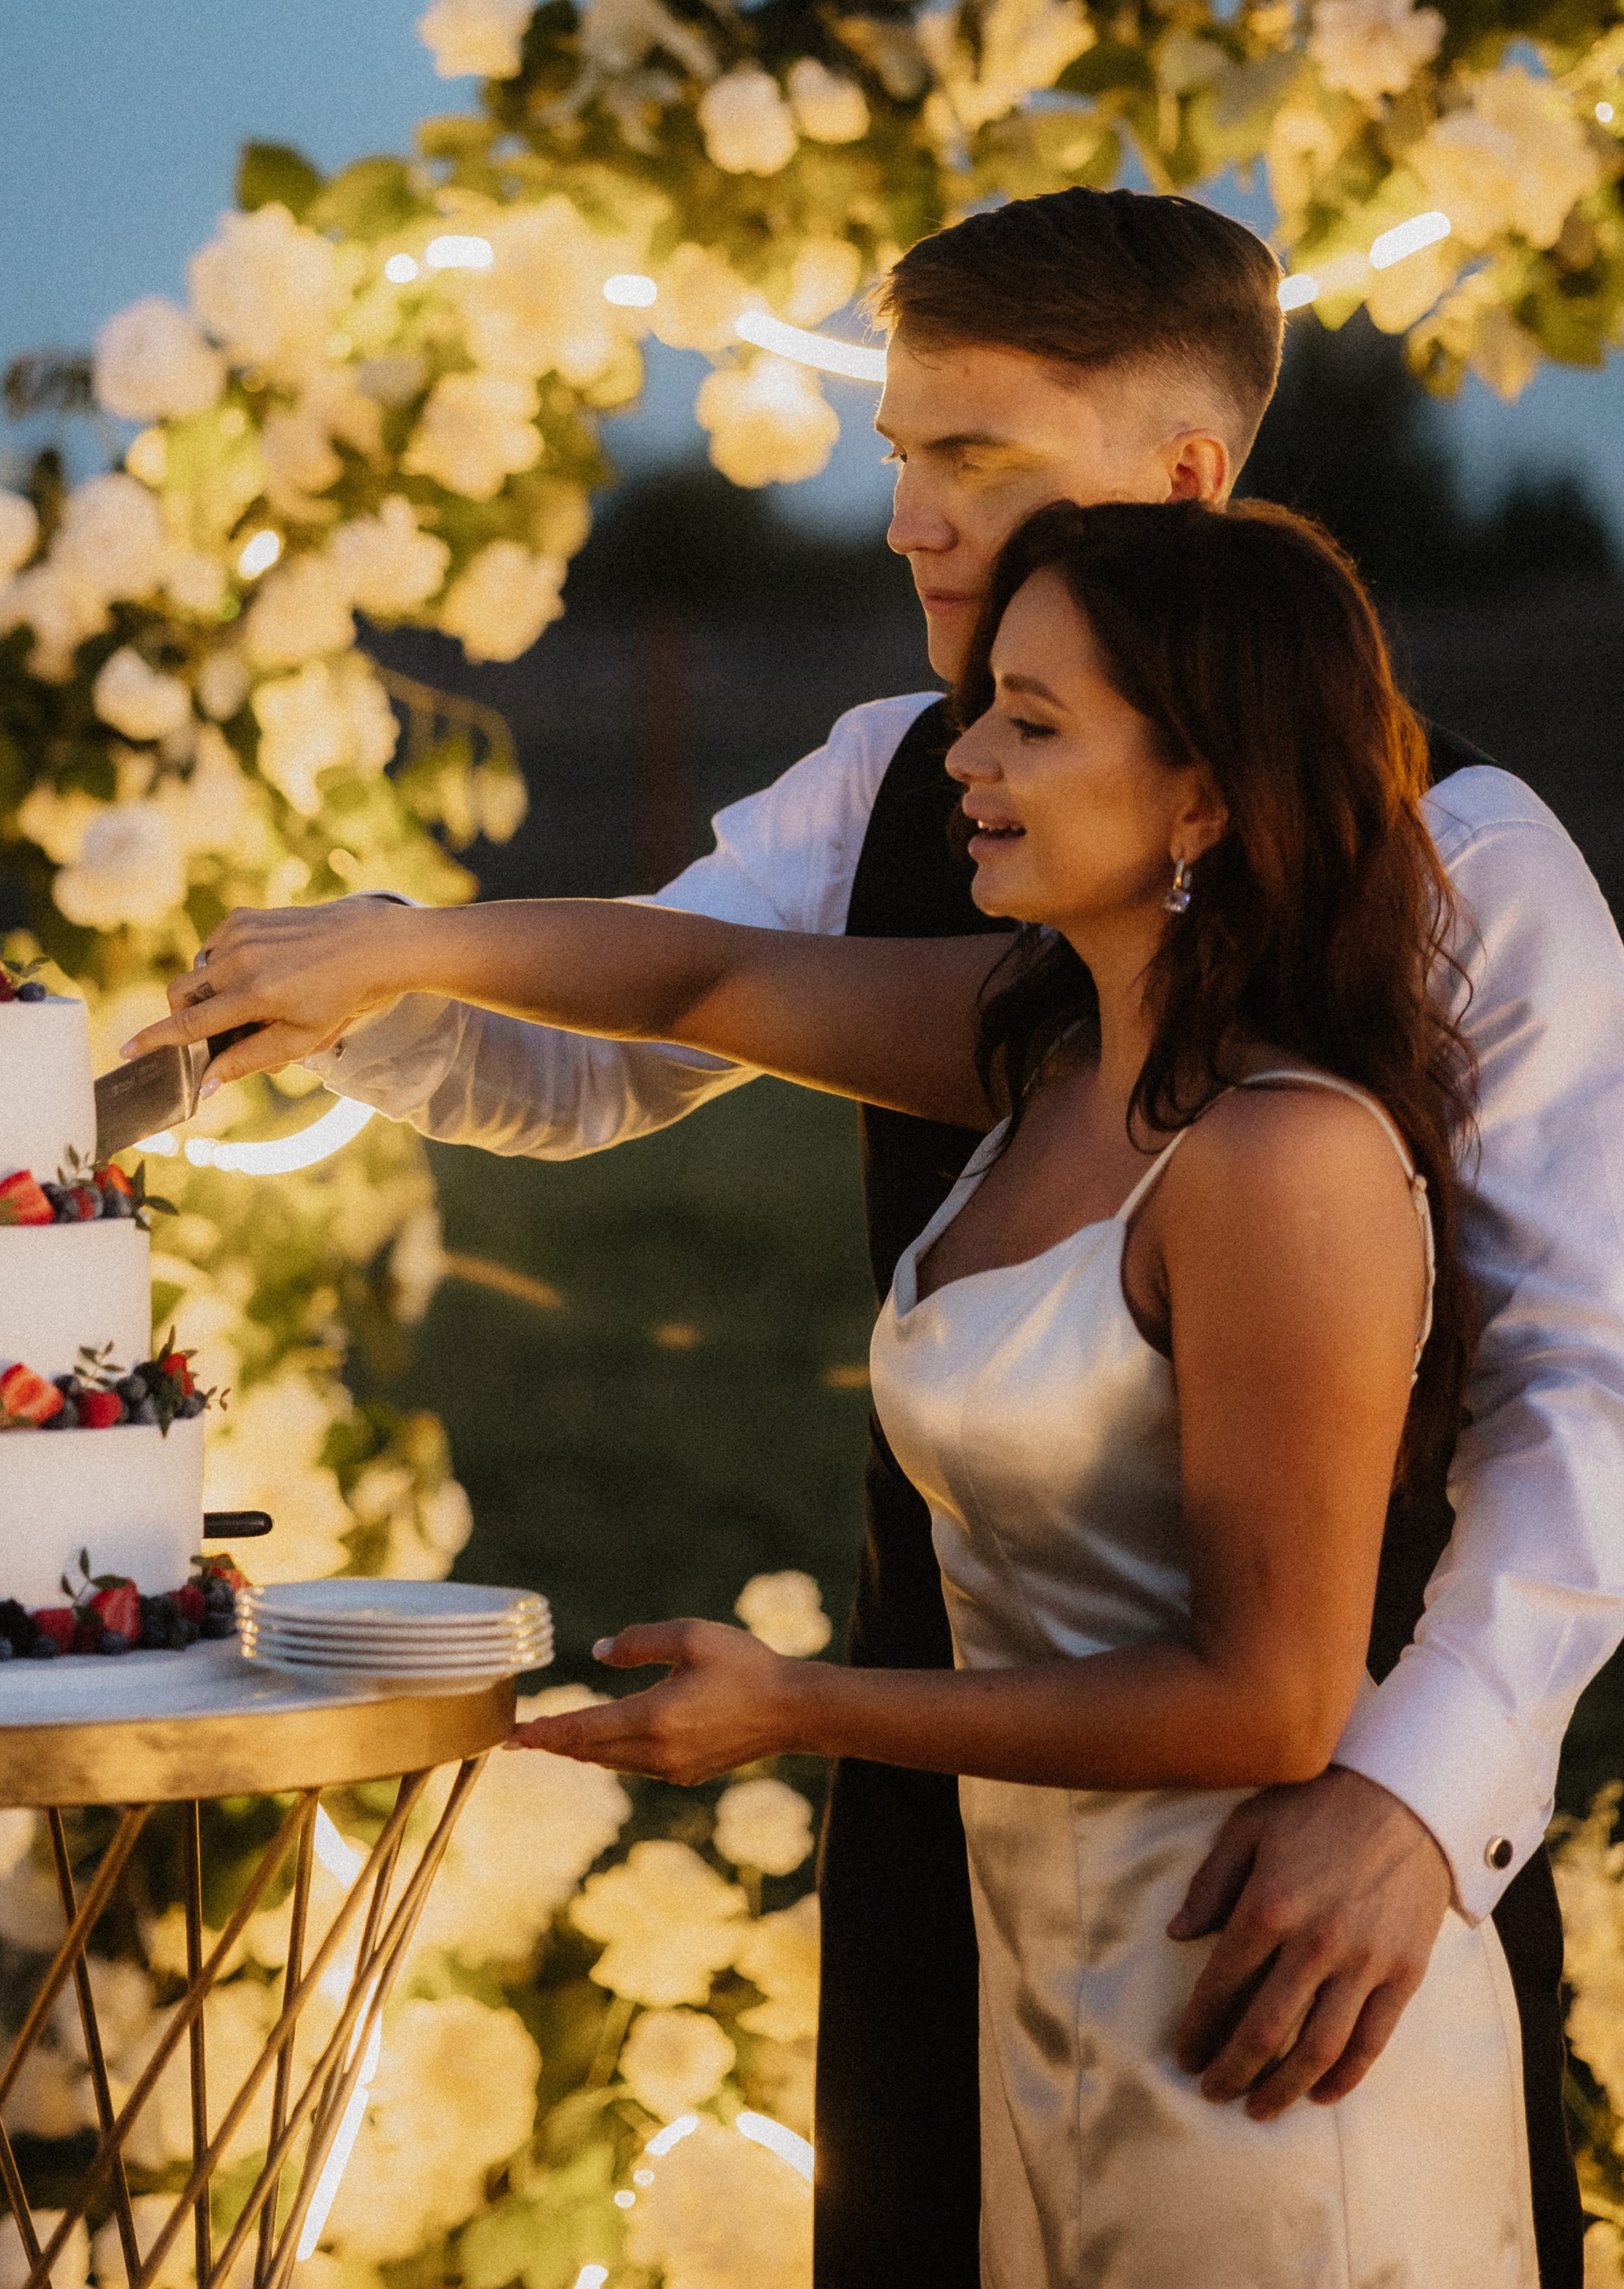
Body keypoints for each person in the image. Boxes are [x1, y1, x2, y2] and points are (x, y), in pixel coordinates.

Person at [129, 190, 1624, 2287]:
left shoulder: (1478, 870)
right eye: (902, 451)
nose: (908, 518)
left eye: (977, 458)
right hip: (965, 1801)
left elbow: (1587, 1392)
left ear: (1187, 478)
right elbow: (638, 1027)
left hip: (1311, 1827)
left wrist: (1416, 1798)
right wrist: (366, 970)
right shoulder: (944, 874)